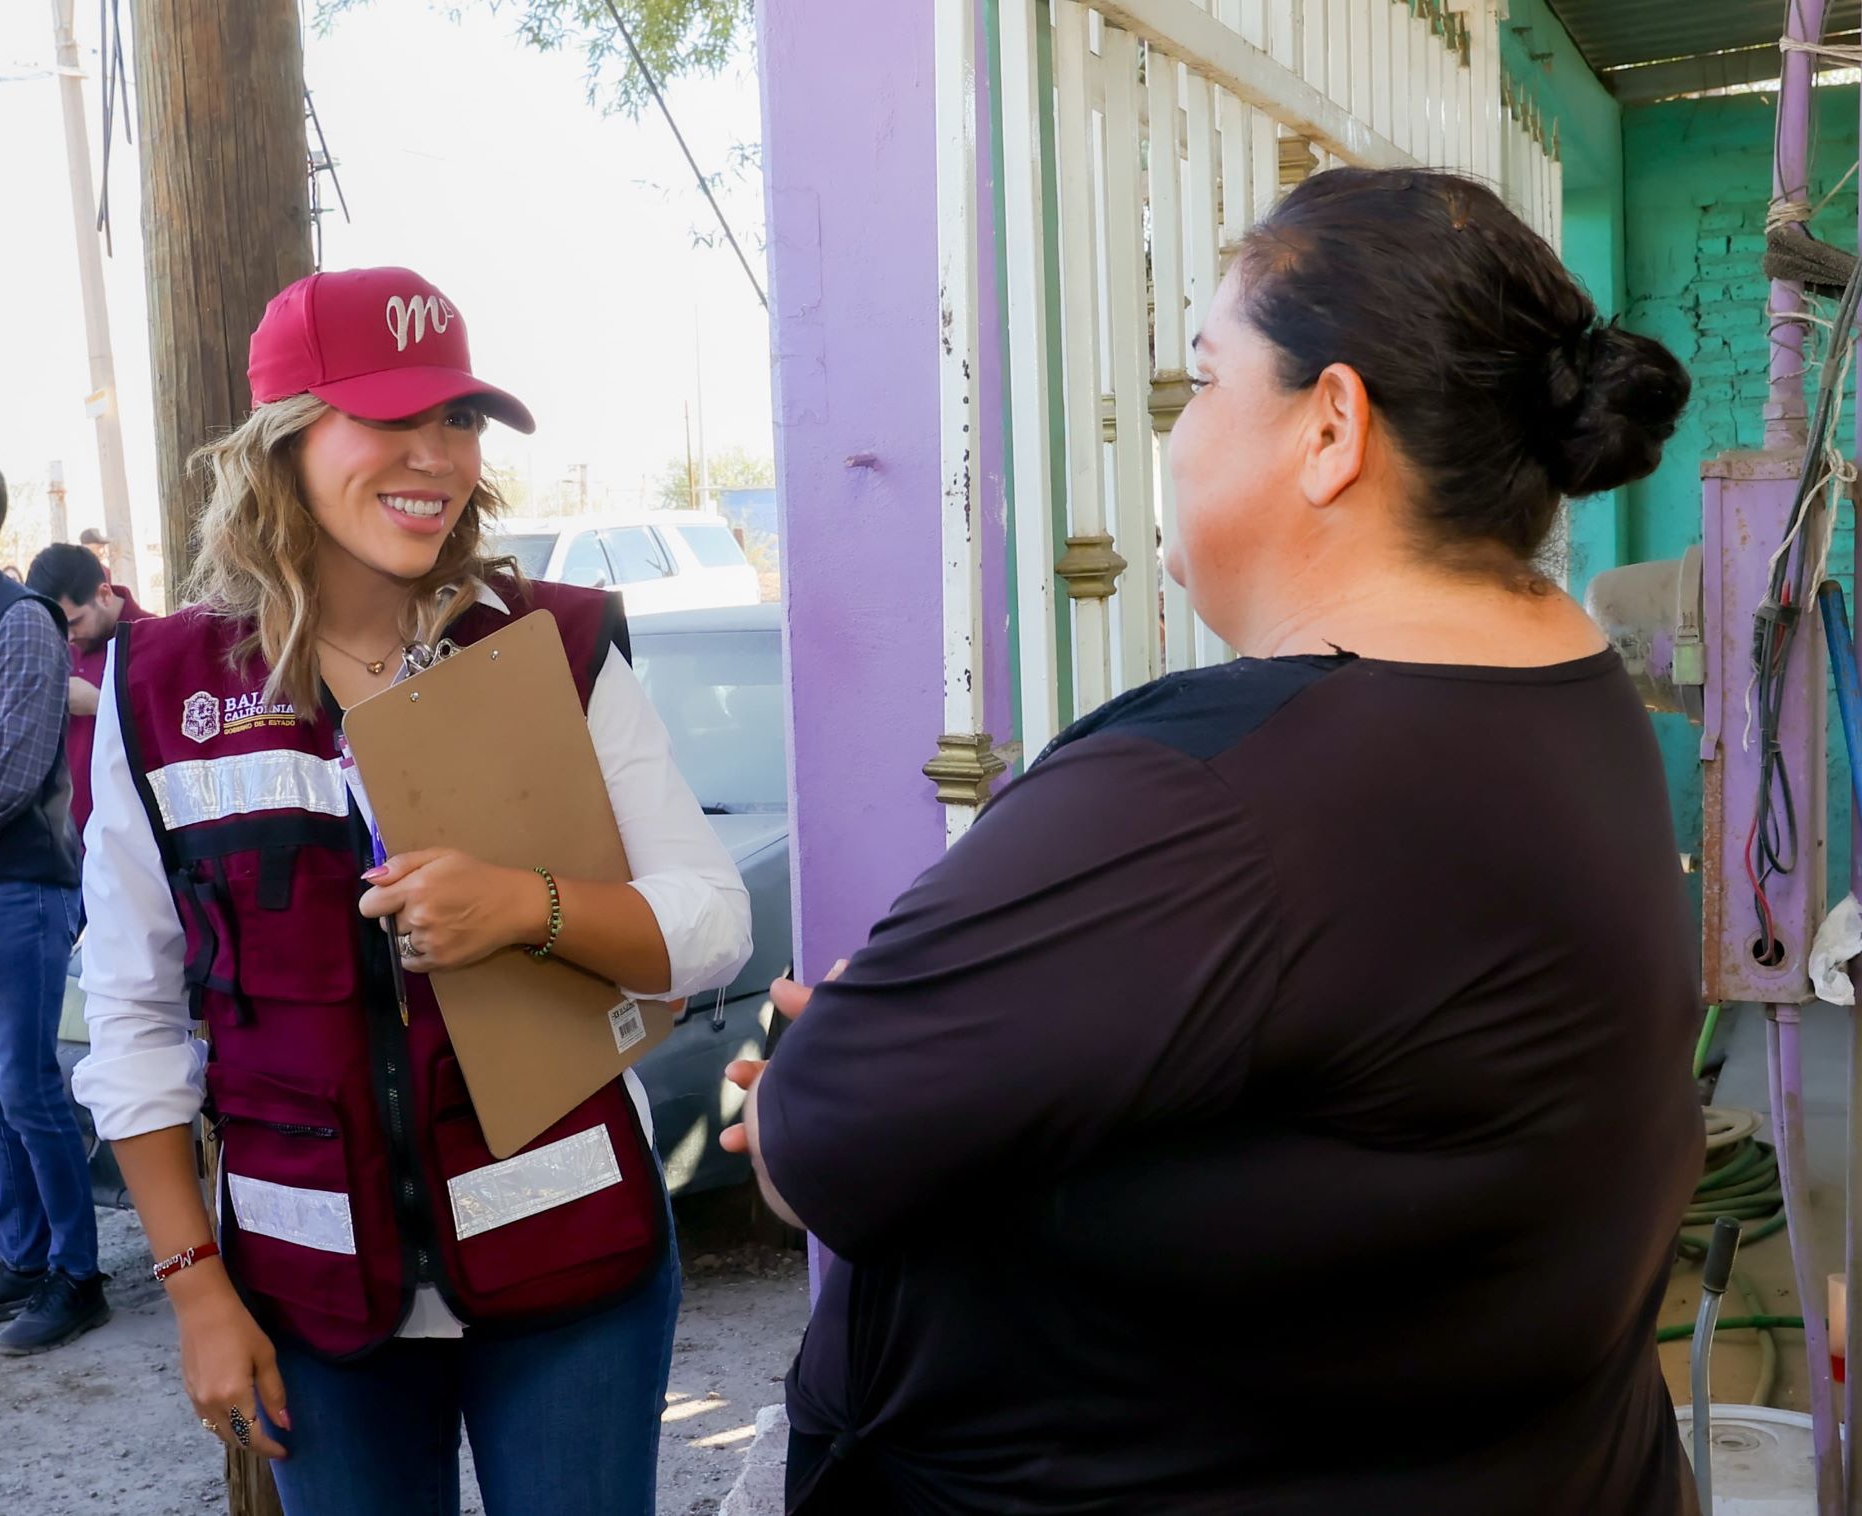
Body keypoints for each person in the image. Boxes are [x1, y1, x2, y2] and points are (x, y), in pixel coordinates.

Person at [722, 169, 1704, 1515]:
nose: (1175, 440)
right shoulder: (1568, 693)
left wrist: (791, 1075)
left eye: (1201, 384)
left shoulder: (1222, 797)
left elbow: (819, 1138)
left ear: (1330, 428)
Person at [73, 266, 751, 1515]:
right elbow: (131, 1014)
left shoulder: (553, 640)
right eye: (389, 417)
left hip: (571, 1265)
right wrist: (193, 1286)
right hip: (311, 1294)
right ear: (283, 440)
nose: (433, 454)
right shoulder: (158, 690)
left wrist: (526, 907)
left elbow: (712, 923)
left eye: (458, 419)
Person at [0, 446, 107, 1350]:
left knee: (26, 1082)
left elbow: (15, 758)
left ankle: (78, 1275)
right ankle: (21, 1253)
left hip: (14, 885)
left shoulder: (19, 618)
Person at [24, 543, 152, 841]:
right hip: (64, 836)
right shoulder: (51, 645)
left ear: (104, 594)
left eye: (74, 622)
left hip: (133, 838)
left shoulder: (153, 639)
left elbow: (172, 731)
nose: (67, 637)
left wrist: (99, 702)